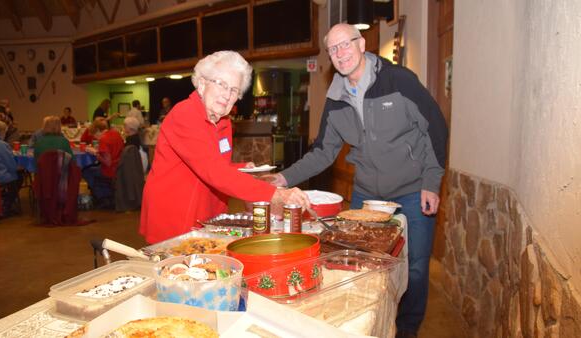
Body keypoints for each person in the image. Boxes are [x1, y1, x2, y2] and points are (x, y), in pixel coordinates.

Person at [265, 24, 448, 338]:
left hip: (412, 190)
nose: (340, 54)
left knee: (415, 266)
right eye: (333, 49)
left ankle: (407, 328)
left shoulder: (399, 80)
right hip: (368, 195)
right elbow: (323, 152)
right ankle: (373, 324)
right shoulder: (335, 99)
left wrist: (431, 181)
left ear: (361, 44)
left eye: (345, 45)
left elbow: (434, 128)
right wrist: (283, 177)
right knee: (368, 267)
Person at [140, 50, 311, 244]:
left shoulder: (223, 121)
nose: (227, 95)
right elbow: (213, 172)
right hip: (175, 215)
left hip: (207, 213)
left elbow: (215, 164)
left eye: (234, 90)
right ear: (203, 83)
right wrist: (277, 194)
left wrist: (241, 169)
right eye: (221, 84)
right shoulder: (185, 115)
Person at [82, 118, 125, 208]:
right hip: (119, 167)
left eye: (94, 135)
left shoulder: (103, 139)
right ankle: (105, 193)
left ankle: (102, 196)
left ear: (98, 130)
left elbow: (107, 162)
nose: (95, 138)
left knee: (85, 171)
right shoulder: (116, 133)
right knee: (94, 170)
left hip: (110, 170)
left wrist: (96, 153)